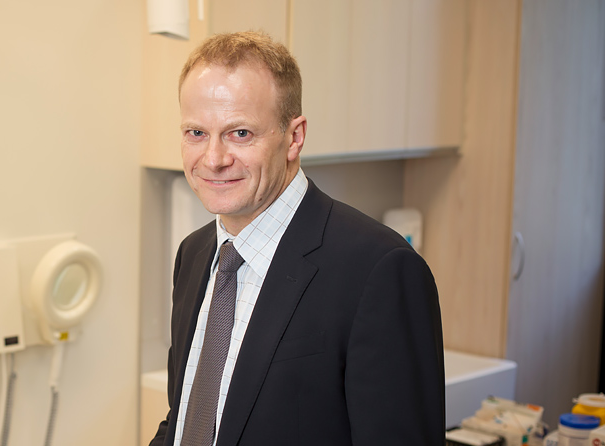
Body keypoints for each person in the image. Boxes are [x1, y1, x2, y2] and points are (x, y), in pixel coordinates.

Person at [150, 31, 444, 446]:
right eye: (196, 133)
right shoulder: (194, 254)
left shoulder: (379, 270)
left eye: (240, 133)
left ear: (295, 137)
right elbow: (184, 419)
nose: (213, 159)